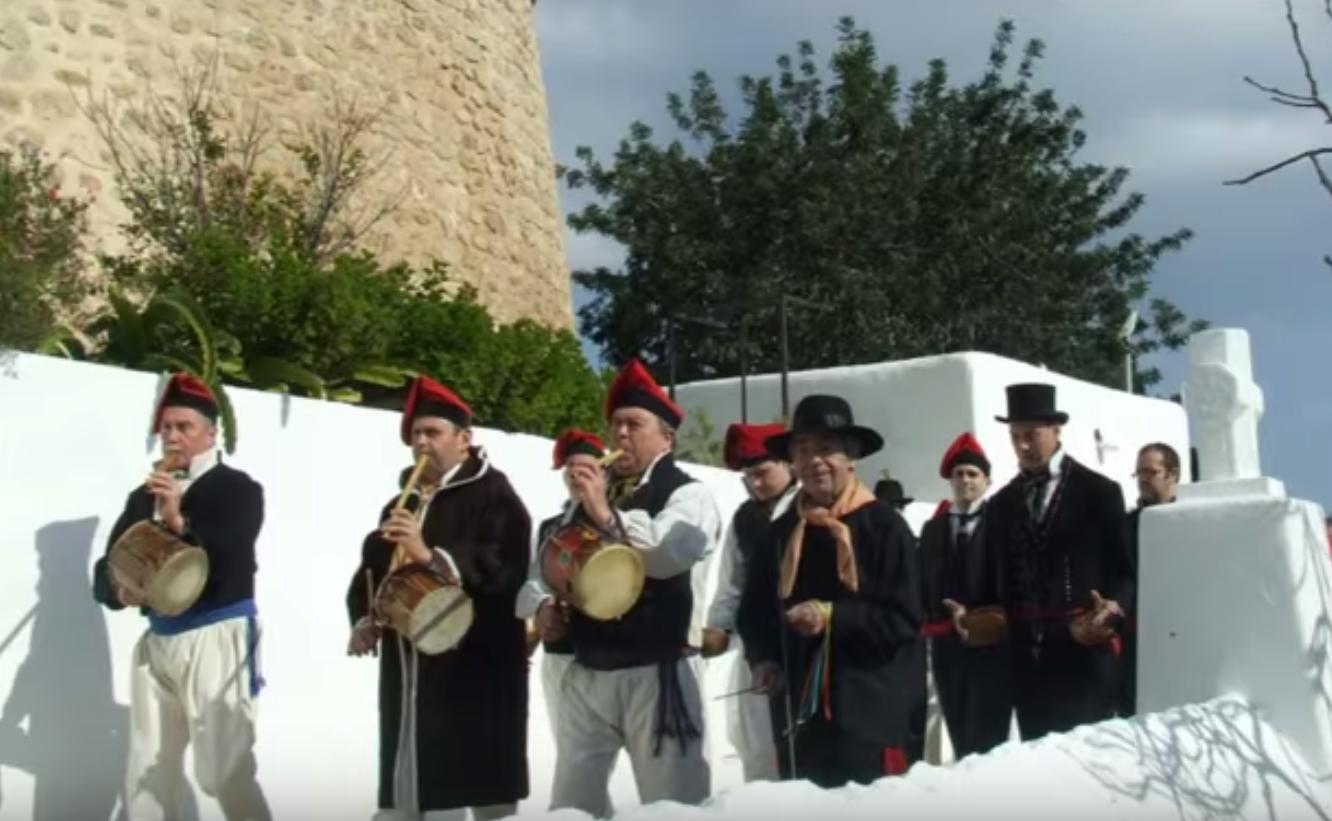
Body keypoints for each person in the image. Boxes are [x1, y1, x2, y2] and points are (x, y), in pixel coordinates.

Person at [347, 375, 532, 821]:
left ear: (465, 439)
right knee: (416, 784)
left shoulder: (495, 494)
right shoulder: (402, 501)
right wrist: (365, 617)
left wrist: (429, 554)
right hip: (410, 663)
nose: (422, 443)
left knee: (479, 789)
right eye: (416, 434)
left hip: (475, 665)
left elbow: (503, 563)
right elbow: (374, 571)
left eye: (433, 433)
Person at [544, 359, 721, 817]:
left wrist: (606, 517)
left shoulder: (689, 493)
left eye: (634, 424)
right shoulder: (588, 500)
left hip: (657, 673)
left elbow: (667, 555)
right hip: (588, 670)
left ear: (667, 437)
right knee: (572, 805)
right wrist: (550, 604)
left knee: (672, 805)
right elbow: (559, 563)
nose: (621, 434)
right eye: (616, 425)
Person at [91, 372, 271, 821]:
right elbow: (108, 566)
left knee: (223, 772)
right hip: (158, 640)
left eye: (184, 427)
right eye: (166, 427)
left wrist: (176, 520)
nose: (171, 436)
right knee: (147, 769)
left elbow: (228, 556)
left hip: (217, 633)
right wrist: (120, 587)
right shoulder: (141, 496)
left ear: (211, 432)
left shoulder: (238, 488)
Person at [739, 394, 926, 788]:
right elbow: (754, 611)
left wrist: (831, 616)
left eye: (826, 449)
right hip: (798, 715)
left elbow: (904, 619)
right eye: (803, 450)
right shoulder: (781, 532)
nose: (813, 461)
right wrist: (764, 659)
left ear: (852, 456)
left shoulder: (884, 527)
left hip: (871, 710)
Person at [983, 383, 1132, 740]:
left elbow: (1124, 572)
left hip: (1085, 660)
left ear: (1055, 430)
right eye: (1014, 436)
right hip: (1027, 667)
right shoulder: (1001, 505)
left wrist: (1110, 613)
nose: (1022, 446)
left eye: (1031, 435)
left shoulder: (1099, 492)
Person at [514, 428, 615, 814]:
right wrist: (541, 613)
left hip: (608, 658)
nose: (578, 474)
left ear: (604, 474)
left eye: (588, 467)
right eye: (571, 467)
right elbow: (531, 584)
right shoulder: (550, 528)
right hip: (559, 656)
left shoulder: (616, 521)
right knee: (573, 760)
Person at [704, 422, 797, 781]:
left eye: (761, 473)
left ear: (786, 464)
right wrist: (718, 630)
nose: (754, 484)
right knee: (758, 746)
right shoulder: (744, 519)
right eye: (747, 478)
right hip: (757, 648)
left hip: (805, 642)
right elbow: (732, 582)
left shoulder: (808, 505)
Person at [919, 433, 1011, 758]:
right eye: (958, 474)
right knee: (958, 731)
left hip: (991, 647)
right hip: (947, 651)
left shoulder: (1005, 526)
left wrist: (980, 617)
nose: (965, 480)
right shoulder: (933, 531)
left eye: (973, 474)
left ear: (988, 481)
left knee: (990, 737)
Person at [1120, 442, 1181, 716]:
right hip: (1135, 642)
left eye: (1151, 472)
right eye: (1139, 474)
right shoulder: (1125, 526)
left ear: (1173, 474)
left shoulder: (1190, 523)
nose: (1143, 480)